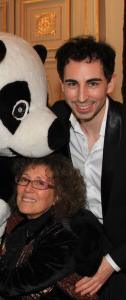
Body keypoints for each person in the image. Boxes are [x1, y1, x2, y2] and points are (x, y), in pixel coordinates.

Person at [0, 154, 103, 299]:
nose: (28, 188)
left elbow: (11, 285)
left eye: (40, 183)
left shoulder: (67, 234)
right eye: (24, 179)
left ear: (59, 195)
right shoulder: (17, 222)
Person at [52, 35, 126, 299]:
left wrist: (111, 264)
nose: (82, 96)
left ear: (110, 83)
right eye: (72, 84)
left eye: (92, 83)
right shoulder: (56, 126)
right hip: (83, 246)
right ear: (61, 85)